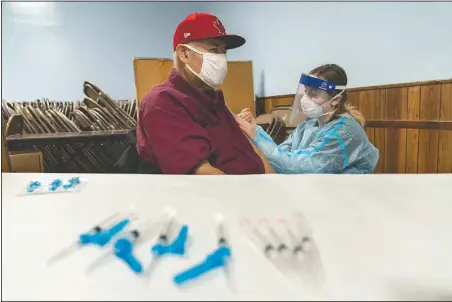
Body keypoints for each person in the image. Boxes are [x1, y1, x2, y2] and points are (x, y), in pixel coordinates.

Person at [135, 12, 274, 175]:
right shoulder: (163, 102)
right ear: (184, 53)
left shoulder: (212, 99)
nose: (221, 59)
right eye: (213, 49)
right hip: (222, 197)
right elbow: (204, 175)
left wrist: (274, 185)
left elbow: (256, 154)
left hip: (256, 191)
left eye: (223, 51)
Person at [235, 64, 379, 174]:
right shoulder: (308, 126)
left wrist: (257, 135)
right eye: (305, 92)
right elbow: (281, 155)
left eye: (313, 93)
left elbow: (300, 166)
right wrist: (253, 133)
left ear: (335, 100)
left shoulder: (345, 131)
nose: (305, 99)